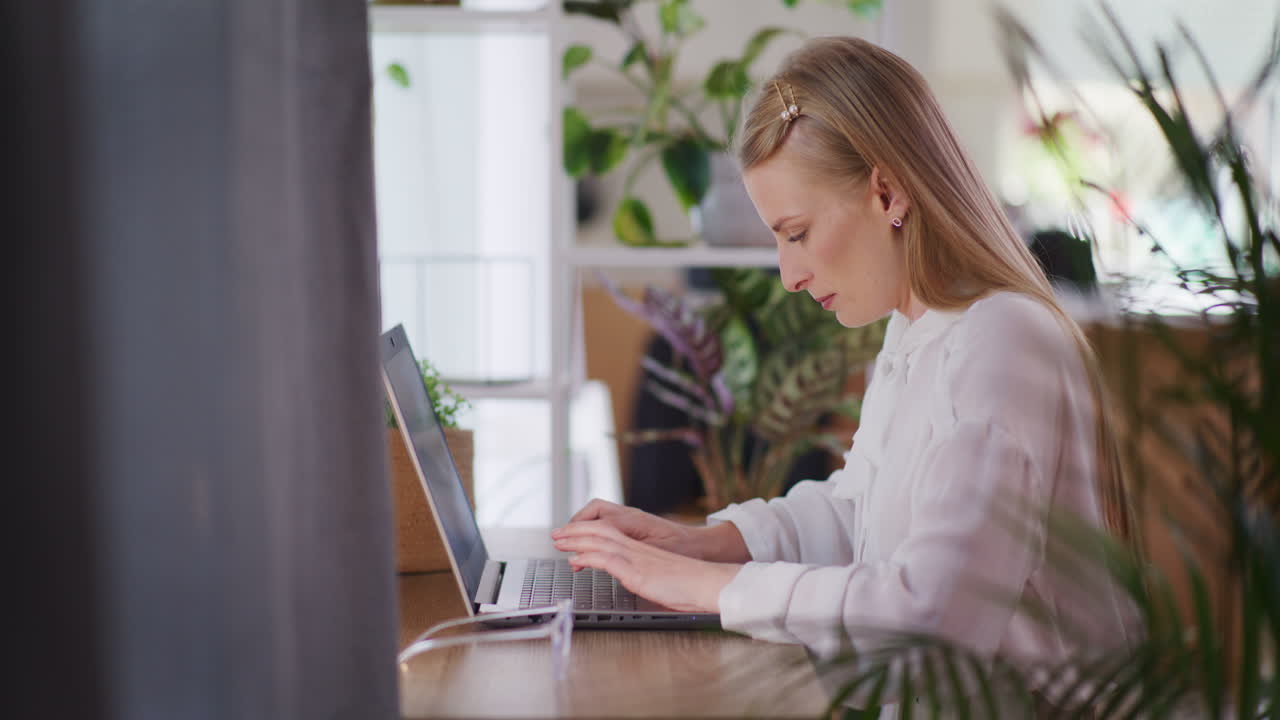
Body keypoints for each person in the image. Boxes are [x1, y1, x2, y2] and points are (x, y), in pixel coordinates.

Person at [551, 36, 1138, 713]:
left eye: (795, 234)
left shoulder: (1001, 341)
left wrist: (703, 587)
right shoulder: (921, 327)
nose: (788, 274)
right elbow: (858, 507)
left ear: (886, 191)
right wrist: (700, 544)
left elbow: (931, 615)